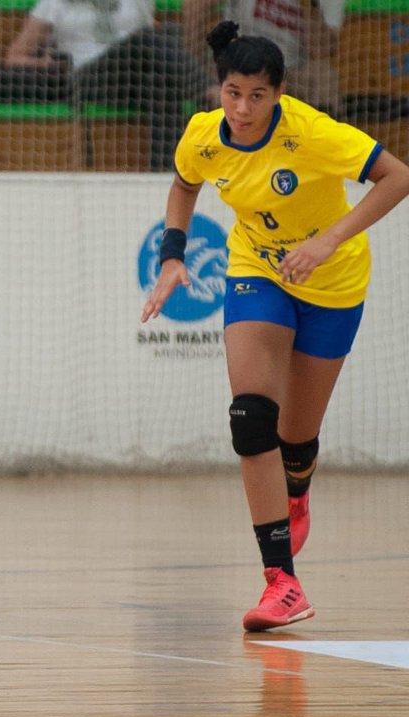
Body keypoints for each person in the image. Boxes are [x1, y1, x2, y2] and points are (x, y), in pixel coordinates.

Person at [141, 21, 409, 631]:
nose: (241, 108)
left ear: (279, 95)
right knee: (251, 418)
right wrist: (173, 256)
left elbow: (399, 176)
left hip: (333, 282)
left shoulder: (313, 132)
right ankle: (282, 583)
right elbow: (184, 184)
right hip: (255, 270)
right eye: (232, 92)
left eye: (256, 96)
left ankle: (299, 481)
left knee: (295, 435)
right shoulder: (204, 134)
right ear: (220, 89)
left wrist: (327, 240)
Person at [0, 0, 206, 171]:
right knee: (147, 39)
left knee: (162, 82)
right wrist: (44, 63)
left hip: (133, 79)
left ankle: (166, 172)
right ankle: (206, 90)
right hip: (87, 76)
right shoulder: (56, 3)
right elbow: (14, 57)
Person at [182, 0, 345, 116]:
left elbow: (320, 50)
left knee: (325, 78)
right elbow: (194, 6)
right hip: (239, 60)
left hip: (290, 70)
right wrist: (202, 69)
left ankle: (314, 153)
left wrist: (309, 4)